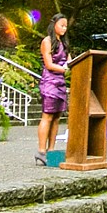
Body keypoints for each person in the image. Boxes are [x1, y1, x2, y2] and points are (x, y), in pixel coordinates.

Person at [36, 15, 71, 164]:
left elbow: (70, 61)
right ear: (54, 24)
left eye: (66, 26)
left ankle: (51, 150)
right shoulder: (47, 41)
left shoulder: (64, 43)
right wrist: (65, 69)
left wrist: (70, 66)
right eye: (62, 25)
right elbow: (49, 64)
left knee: (56, 117)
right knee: (47, 116)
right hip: (50, 82)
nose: (64, 28)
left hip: (61, 83)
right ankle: (41, 150)